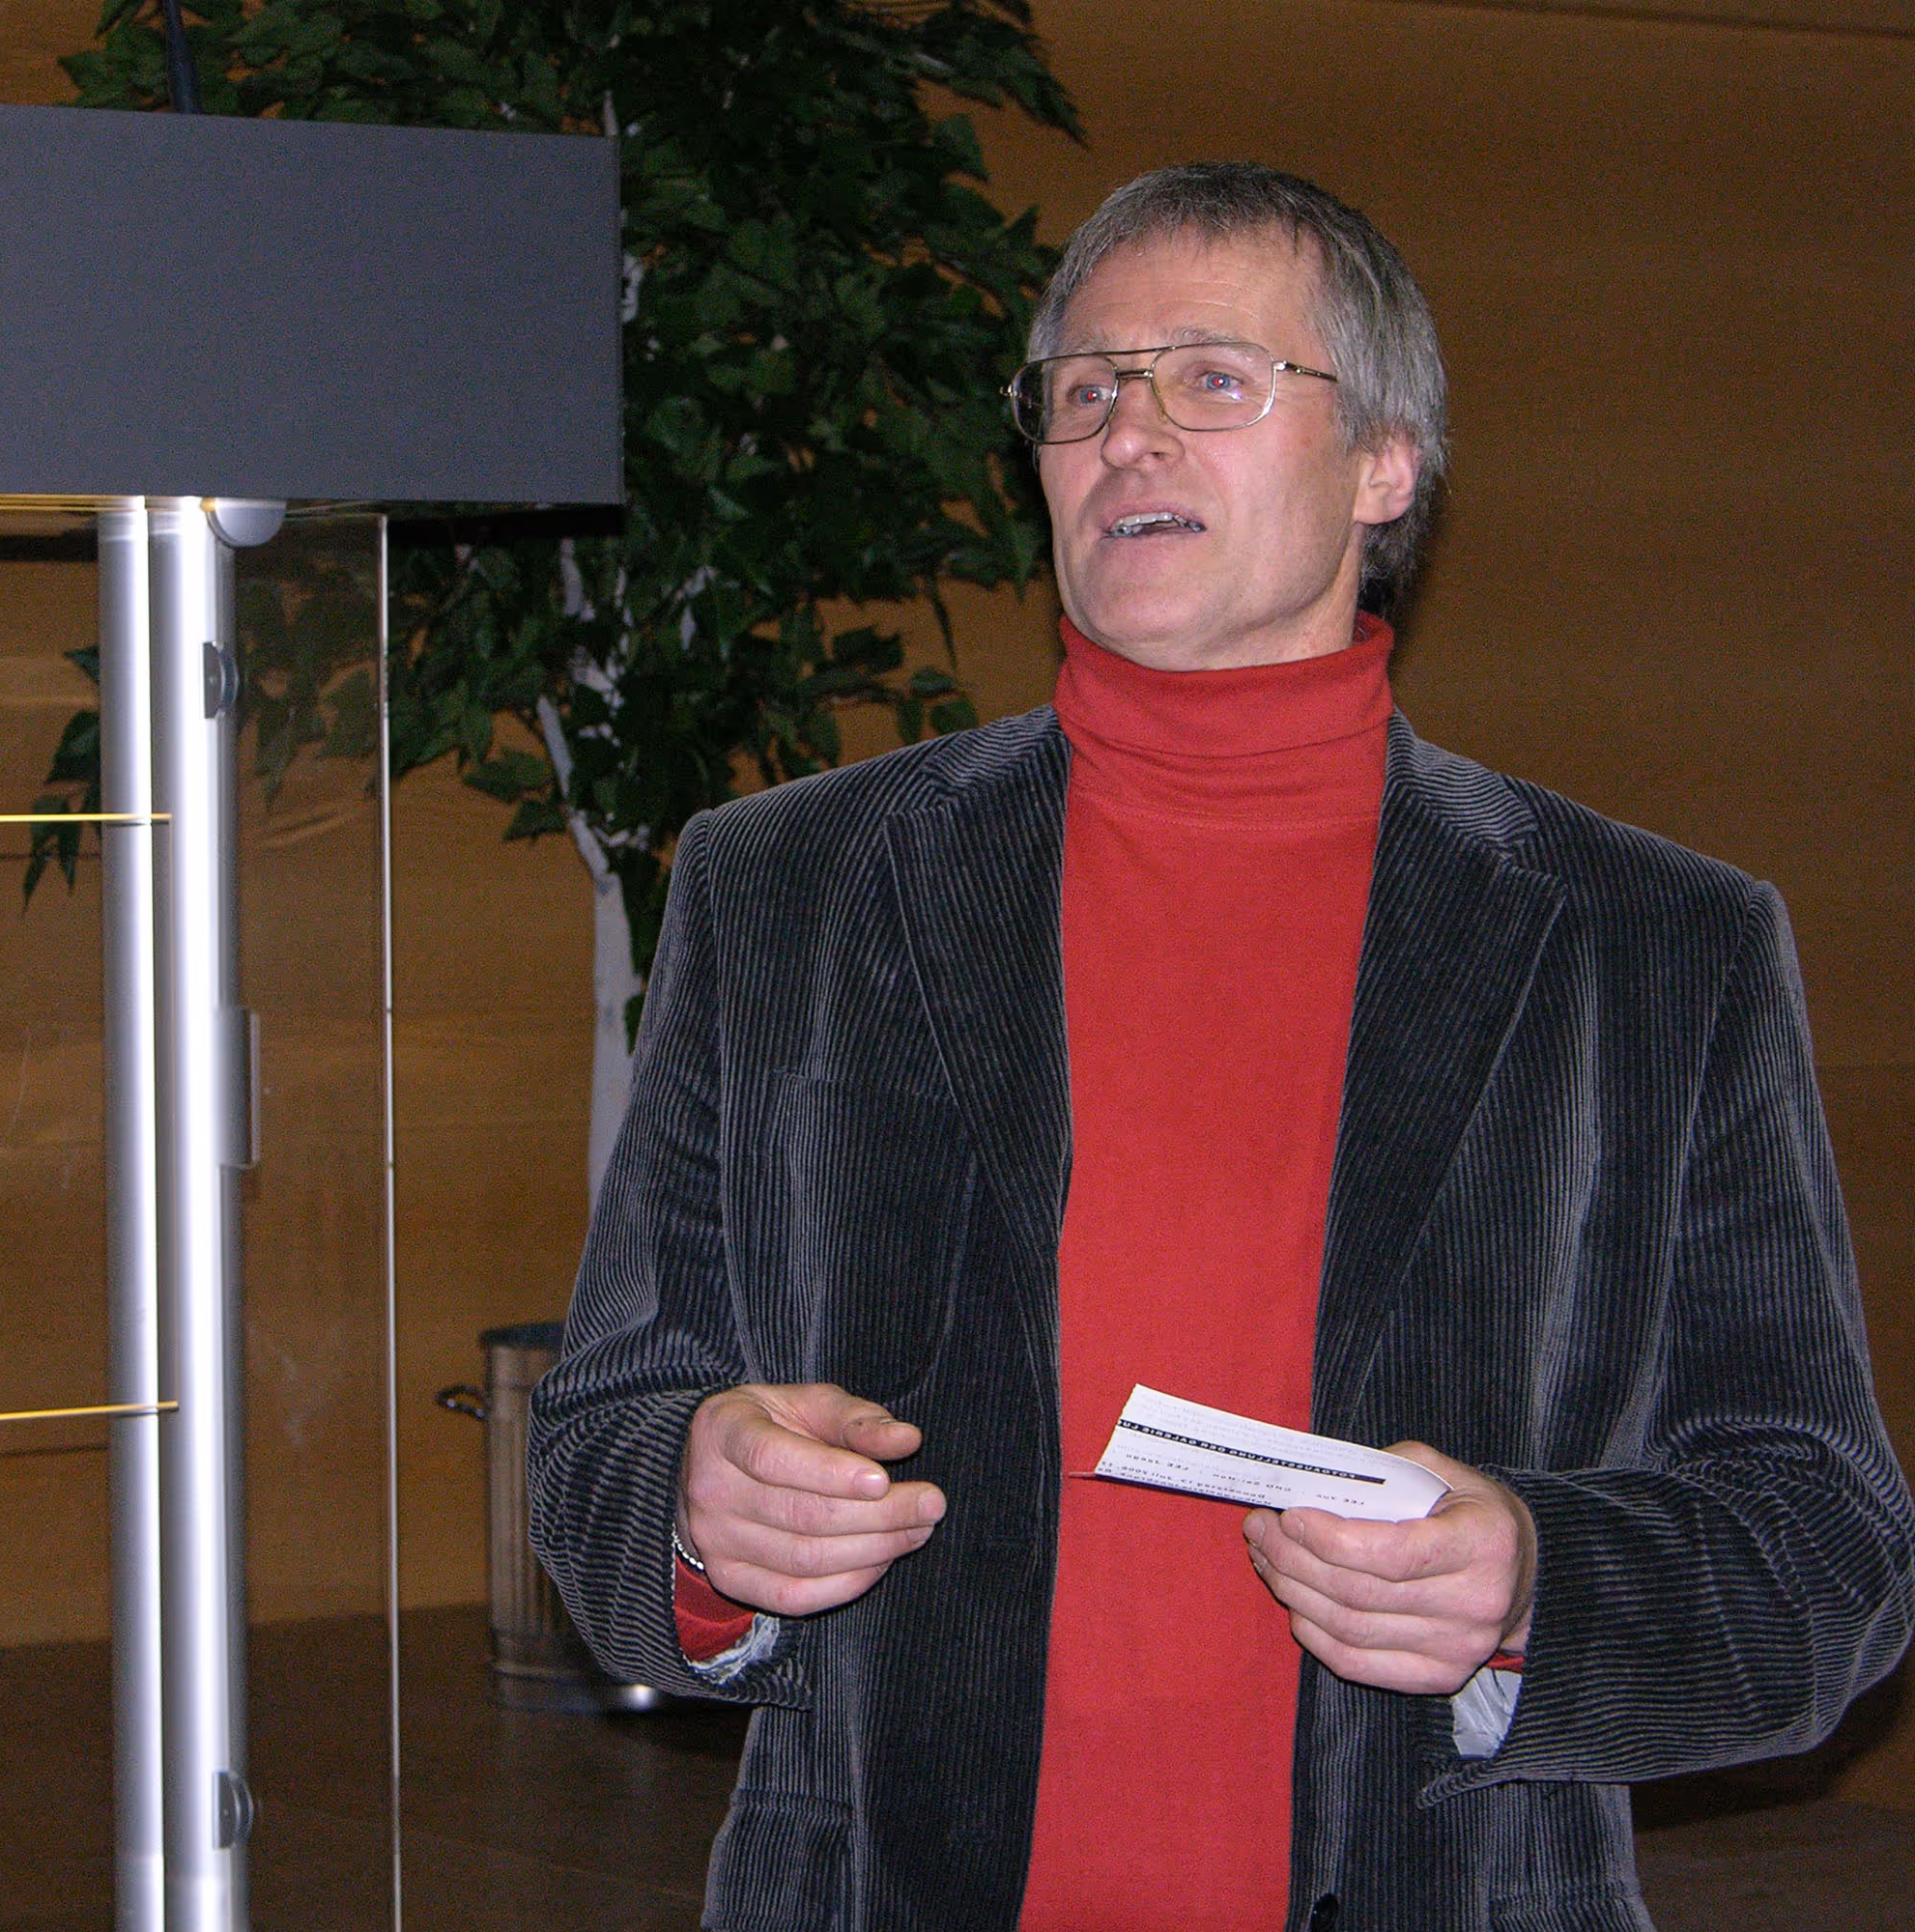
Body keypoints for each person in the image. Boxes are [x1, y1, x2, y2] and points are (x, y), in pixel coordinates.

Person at [528, 164, 1914, 1932]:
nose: (1130, 435)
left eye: (1211, 379)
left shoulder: (1650, 948)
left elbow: (1824, 1555)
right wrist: (694, 1513)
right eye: (1086, 390)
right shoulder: (790, 885)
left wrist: (1537, 1587)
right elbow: (600, 1445)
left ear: (1387, 462)